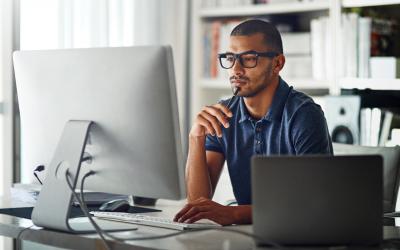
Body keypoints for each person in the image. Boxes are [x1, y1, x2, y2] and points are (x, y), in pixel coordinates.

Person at [174, 19, 333, 226]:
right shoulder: (223, 114)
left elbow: (313, 204)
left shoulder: (304, 115)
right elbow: (198, 204)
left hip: (297, 235)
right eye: (230, 58)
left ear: (277, 64)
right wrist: (195, 137)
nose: (236, 70)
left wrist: (233, 214)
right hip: (248, 235)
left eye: (249, 59)